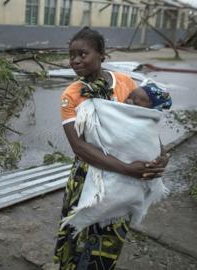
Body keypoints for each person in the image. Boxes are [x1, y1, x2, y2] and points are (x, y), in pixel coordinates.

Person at [54, 27, 170, 270]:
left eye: (82, 54)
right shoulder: (72, 94)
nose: (75, 60)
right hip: (88, 175)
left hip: (126, 180)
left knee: (108, 242)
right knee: (78, 233)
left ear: (101, 54)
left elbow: (146, 125)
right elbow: (79, 147)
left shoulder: (125, 83)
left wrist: (161, 156)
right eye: (71, 55)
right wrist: (128, 169)